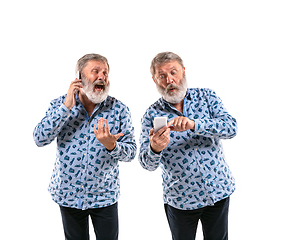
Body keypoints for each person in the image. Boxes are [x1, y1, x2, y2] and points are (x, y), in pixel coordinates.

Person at [33, 53, 137, 240]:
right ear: (80, 77)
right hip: (68, 195)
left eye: (105, 72)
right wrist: (66, 107)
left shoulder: (119, 109)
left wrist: (112, 146)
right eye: (95, 71)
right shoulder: (60, 104)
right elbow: (39, 138)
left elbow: (131, 153)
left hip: (105, 196)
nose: (101, 77)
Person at [139, 52, 237, 240]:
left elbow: (231, 128)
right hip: (180, 200)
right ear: (154, 80)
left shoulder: (207, 96)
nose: (170, 80)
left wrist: (195, 124)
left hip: (218, 191)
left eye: (173, 72)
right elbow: (146, 164)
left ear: (183, 71)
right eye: (162, 76)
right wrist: (155, 148)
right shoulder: (151, 115)